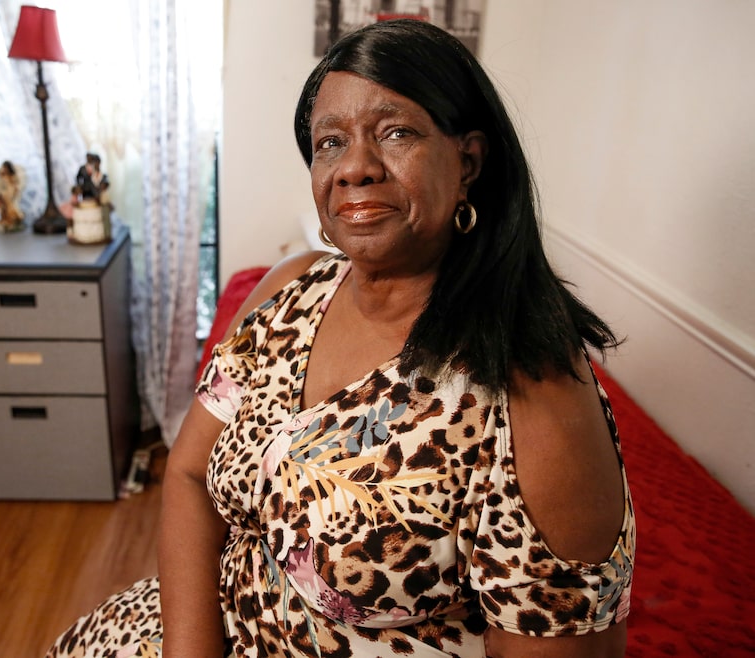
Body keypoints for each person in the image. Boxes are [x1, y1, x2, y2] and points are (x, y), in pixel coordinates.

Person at [46, 19, 634, 658]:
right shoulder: (288, 290)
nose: (355, 167)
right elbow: (188, 475)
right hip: (191, 628)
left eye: (397, 132)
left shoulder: (532, 392)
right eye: (330, 142)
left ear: (468, 161)